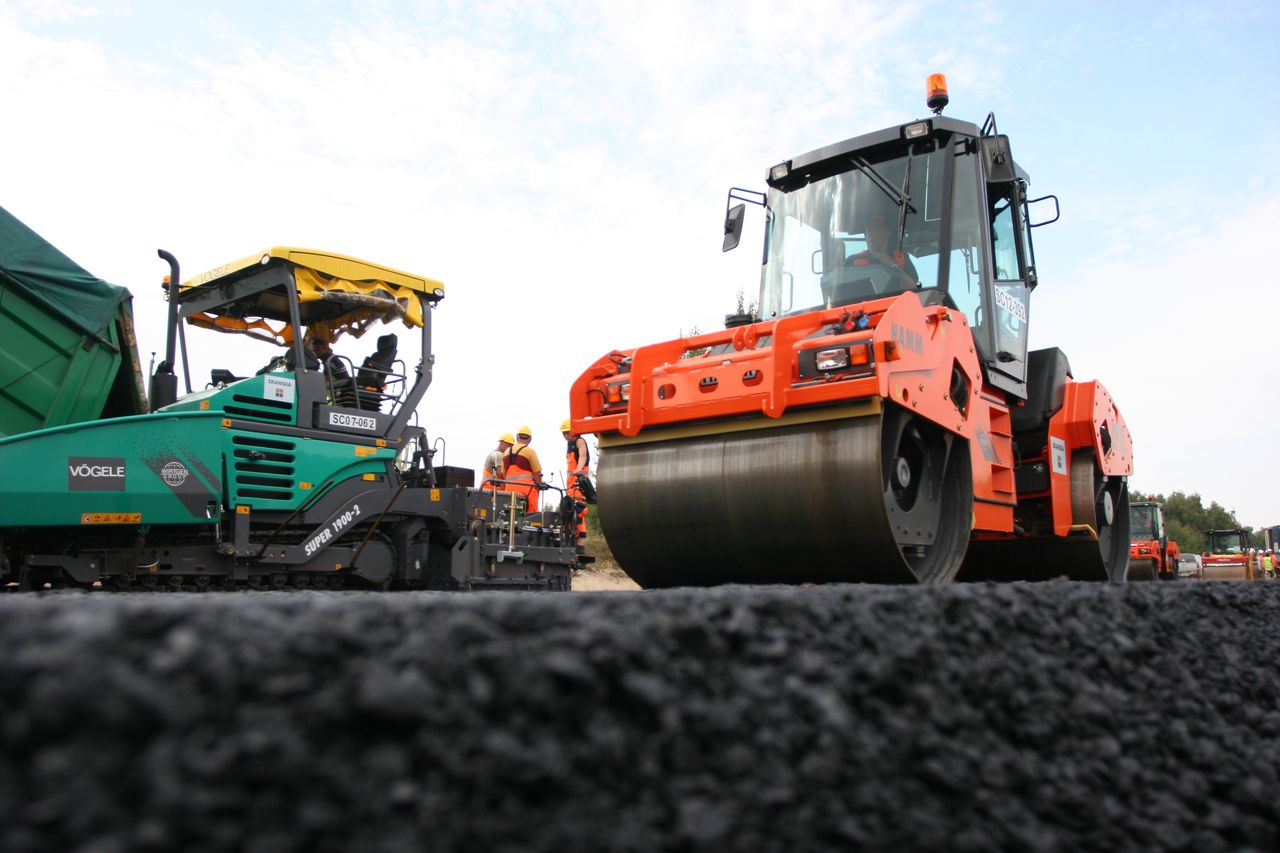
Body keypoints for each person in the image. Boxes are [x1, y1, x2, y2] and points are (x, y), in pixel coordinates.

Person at [848, 210, 918, 289]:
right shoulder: (853, 261)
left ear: (888, 234)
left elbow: (915, 288)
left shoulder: (902, 258)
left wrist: (892, 265)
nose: (871, 233)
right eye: (869, 230)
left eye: (876, 229)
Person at [562, 418, 591, 540]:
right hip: (570, 485)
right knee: (567, 511)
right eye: (563, 433)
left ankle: (580, 543)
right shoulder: (569, 444)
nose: (565, 435)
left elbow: (582, 455)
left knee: (579, 511)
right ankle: (570, 540)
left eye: (567, 432)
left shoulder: (580, 441)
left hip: (579, 483)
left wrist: (578, 469)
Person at [504, 426, 544, 512]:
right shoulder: (530, 452)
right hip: (526, 491)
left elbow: (503, 473)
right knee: (532, 515)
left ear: (517, 437)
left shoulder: (506, 452)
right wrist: (539, 485)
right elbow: (537, 474)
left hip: (508, 491)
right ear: (530, 439)